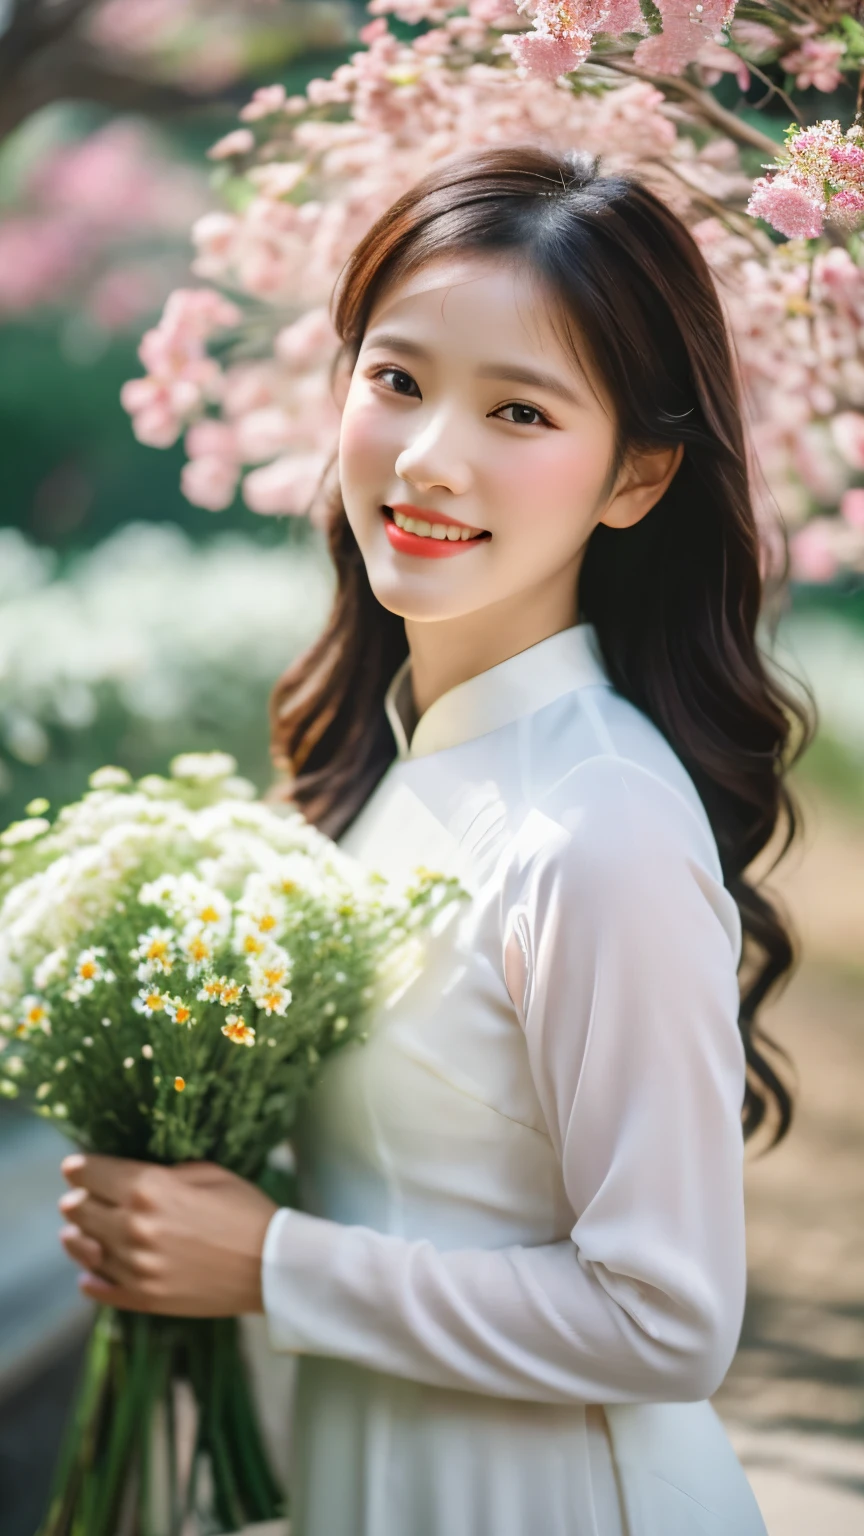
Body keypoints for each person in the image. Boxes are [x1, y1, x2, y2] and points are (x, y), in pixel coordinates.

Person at [58, 145, 812, 1535]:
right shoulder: (401, 771)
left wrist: (273, 1263)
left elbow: (671, 1324)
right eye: (397, 380)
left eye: (519, 411)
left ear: (639, 475)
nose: (427, 457)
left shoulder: (602, 827)